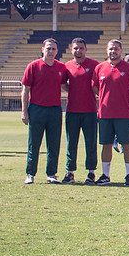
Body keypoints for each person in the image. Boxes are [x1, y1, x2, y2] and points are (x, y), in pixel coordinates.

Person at [92, 39, 129, 186]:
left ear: (121, 50)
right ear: (107, 50)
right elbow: (95, 88)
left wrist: (126, 97)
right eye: (110, 49)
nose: (113, 51)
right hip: (105, 113)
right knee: (106, 144)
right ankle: (106, 175)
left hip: (123, 114)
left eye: (116, 49)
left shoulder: (128, 68)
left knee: (126, 144)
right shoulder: (99, 68)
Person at [21, 38, 69, 184]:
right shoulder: (33, 66)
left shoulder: (61, 67)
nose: (51, 51)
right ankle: (30, 173)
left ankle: (51, 173)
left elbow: (65, 86)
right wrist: (24, 111)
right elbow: (25, 89)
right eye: (48, 48)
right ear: (43, 49)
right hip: (36, 108)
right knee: (34, 144)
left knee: (54, 144)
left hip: (54, 109)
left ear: (57, 51)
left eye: (53, 49)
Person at [62, 38, 99, 184]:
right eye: (76, 48)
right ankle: (70, 171)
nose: (78, 51)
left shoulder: (94, 65)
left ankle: (91, 172)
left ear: (86, 49)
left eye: (81, 48)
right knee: (72, 142)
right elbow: (63, 84)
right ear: (71, 49)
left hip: (89, 110)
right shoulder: (67, 66)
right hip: (72, 110)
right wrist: (73, 91)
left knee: (91, 142)